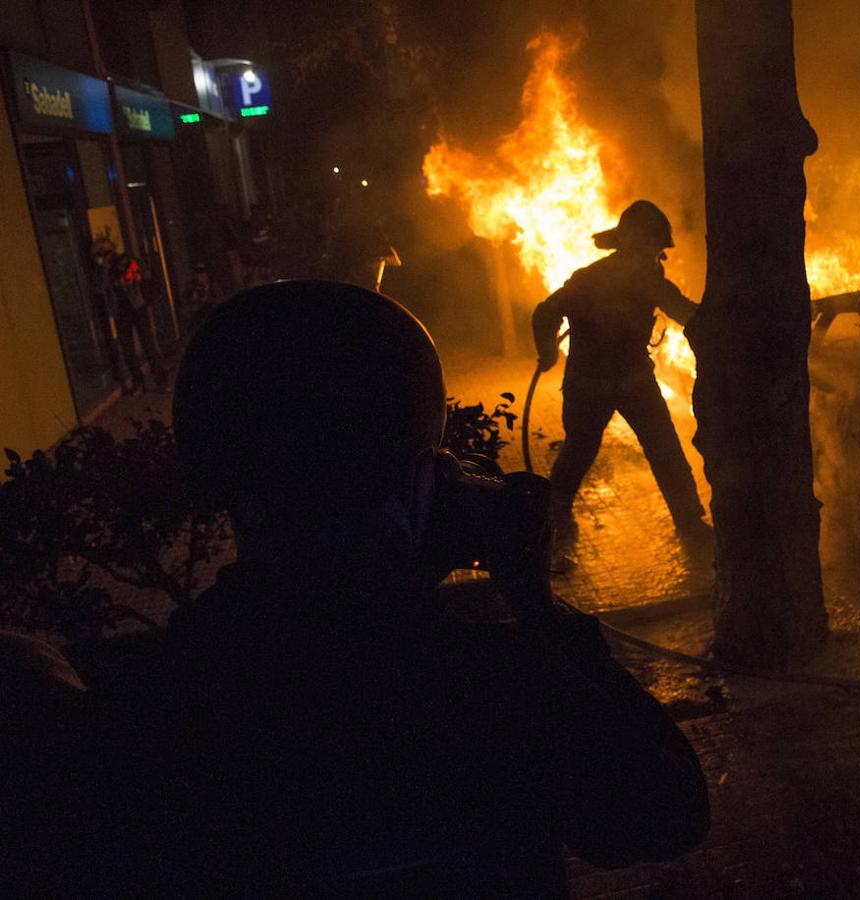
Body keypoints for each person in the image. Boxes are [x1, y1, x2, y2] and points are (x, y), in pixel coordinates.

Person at [78, 280, 708, 894]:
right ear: (425, 485)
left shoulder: (146, 707)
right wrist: (538, 609)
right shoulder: (493, 684)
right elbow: (662, 815)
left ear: (214, 477)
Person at [532, 200, 709, 549]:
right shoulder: (640, 280)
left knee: (589, 448)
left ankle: (558, 509)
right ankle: (687, 521)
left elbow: (545, 313)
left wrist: (548, 351)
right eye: (654, 249)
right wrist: (548, 351)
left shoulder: (591, 277)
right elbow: (689, 314)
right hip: (613, 383)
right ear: (636, 243)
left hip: (612, 381)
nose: (657, 257)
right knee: (652, 449)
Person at [92, 236, 167, 392]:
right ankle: (141, 379)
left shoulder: (127, 260)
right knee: (129, 348)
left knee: (147, 343)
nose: (104, 257)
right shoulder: (105, 269)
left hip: (136, 307)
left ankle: (158, 377)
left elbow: (142, 276)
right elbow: (100, 288)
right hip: (122, 310)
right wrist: (105, 270)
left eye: (104, 252)